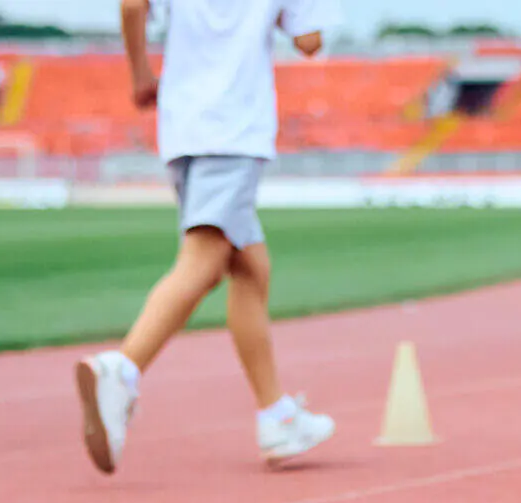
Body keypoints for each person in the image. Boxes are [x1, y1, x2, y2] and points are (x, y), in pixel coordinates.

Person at [77, 0, 341, 476]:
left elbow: (133, 5)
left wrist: (140, 74)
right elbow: (310, 41)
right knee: (205, 257)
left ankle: (277, 416)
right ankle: (123, 369)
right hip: (235, 126)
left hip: (183, 125)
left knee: (250, 267)